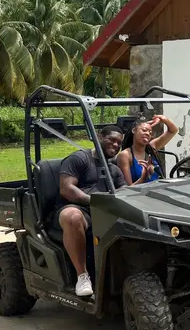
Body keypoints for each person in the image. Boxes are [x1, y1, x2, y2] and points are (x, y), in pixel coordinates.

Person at [53, 125, 127, 296]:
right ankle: (82, 276)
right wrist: (96, 201)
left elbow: (125, 191)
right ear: (100, 137)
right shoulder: (80, 159)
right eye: (112, 140)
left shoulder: (113, 169)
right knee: (72, 216)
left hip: (103, 211)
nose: (116, 145)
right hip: (77, 209)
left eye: (119, 143)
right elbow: (66, 189)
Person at [116, 114, 178, 185]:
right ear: (134, 130)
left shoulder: (151, 148)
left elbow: (173, 130)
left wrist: (163, 119)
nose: (148, 133)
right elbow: (127, 190)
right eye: (144, 130)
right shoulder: (125, 155)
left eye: (150, 132)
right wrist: (143, 178)